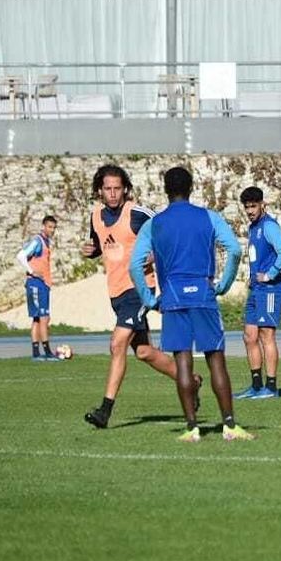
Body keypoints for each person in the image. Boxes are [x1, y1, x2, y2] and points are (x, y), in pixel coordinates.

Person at [129, 167, 251, 443]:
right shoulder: (209, 217)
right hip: (203, 294)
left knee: (182, 362)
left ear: (165, 190)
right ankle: (229, 425)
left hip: (172, 296)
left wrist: (149, 300)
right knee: (216, 360)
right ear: (191, 187)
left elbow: (135, 265)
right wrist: (224, 283)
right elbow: (234, 249)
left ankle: (192, 427)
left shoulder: (154, 224)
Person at [81, 165, 182, 430]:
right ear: (100, 191)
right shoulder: (95, 216)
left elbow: (169, 234)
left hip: (139, 290)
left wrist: (154, 256)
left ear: (125, 189)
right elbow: (103, 244)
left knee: (117, 344)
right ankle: (189, 381)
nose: (113, 193)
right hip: (116, 292)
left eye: (117, 188)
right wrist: (91, 251)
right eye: (108, 189)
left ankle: (105, 410)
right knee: (145, 352)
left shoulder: (137, 213)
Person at [237, 186, 281, 401]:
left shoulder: (269, 226)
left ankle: (271, 386)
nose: (250, 211)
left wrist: (269, 275)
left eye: (253, 206)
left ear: (263, 205)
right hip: (256, 289)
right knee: (249, 336)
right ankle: (256, 385)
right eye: (247, 207)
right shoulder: (253, 227)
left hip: (270, 289)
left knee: (266, 335)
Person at [17, 215, 58, 361]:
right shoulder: (37, 241)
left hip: (43, 284)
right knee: (44, 318)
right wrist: (31, 271)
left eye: (54, 228)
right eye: (49, 227)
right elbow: (21, 255)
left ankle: (36, 353)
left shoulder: (45, 242)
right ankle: (47, 352)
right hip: (36, 284)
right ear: (43, 226)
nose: (52, 230)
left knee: (37, 319)